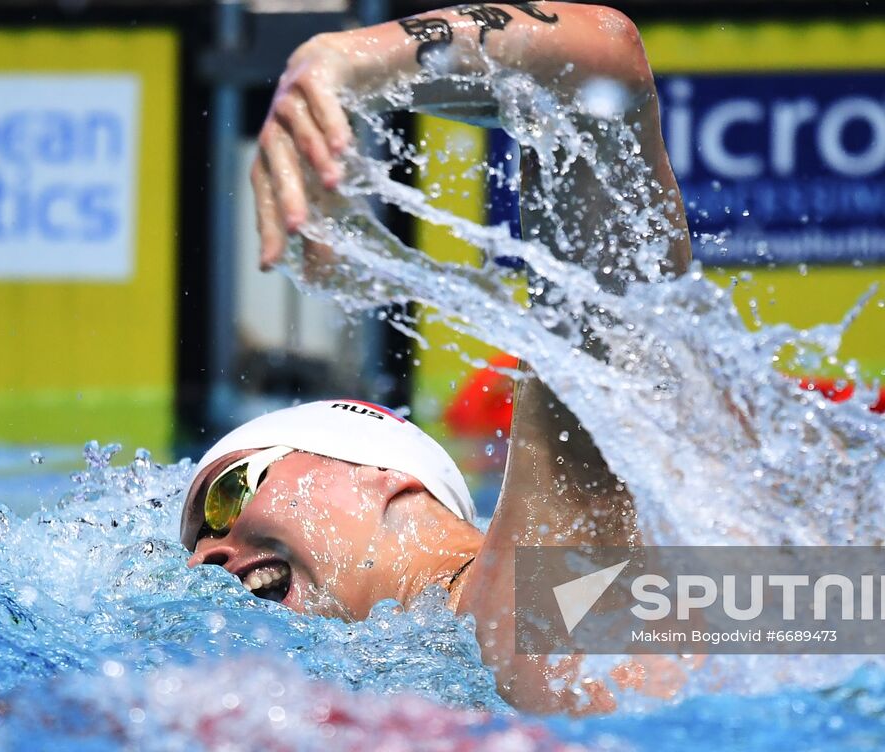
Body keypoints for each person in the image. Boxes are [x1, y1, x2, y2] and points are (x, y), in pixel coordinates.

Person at [183, 1, 692, 713]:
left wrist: (346, 60)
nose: (205, 558)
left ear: (379, 479)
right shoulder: (425, 680)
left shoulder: (545, 587)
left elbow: (598, 70)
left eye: (227, 493)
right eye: (197, 546)